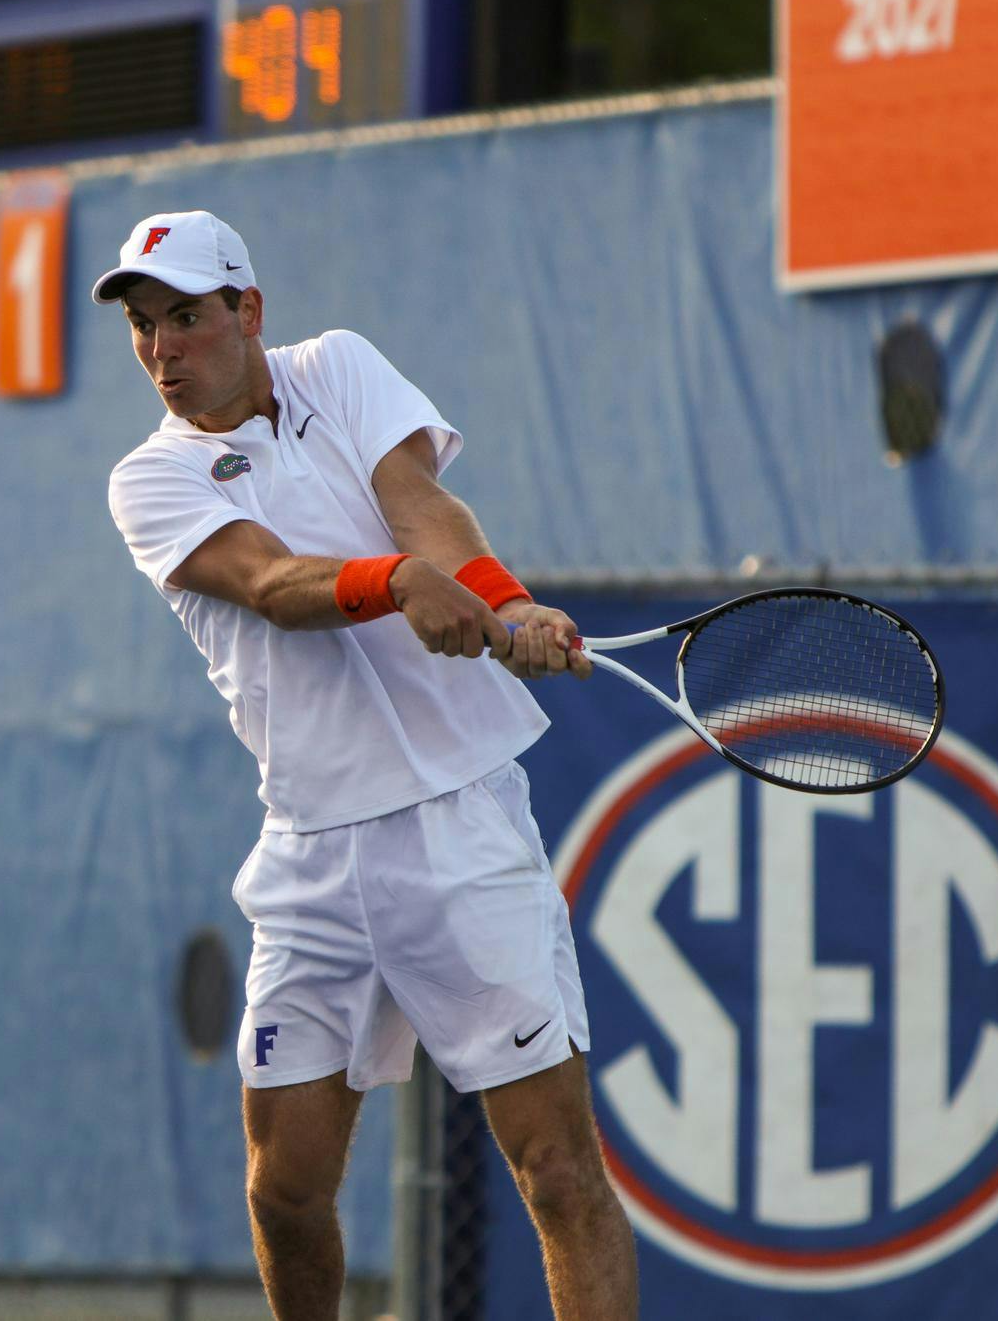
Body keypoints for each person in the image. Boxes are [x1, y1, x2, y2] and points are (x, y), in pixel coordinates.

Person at [96, 212, 637, 1320]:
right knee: (285, 1189)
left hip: (461, 828)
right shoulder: (147, 480)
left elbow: (422, 507)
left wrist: (506, 600)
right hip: (310, 850)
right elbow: (268, 582)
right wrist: (392, 585)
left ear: (248, 312)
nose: (162, 350)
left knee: (555, 1169)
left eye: (186, 319)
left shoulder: (337, 368)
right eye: (144, 327)